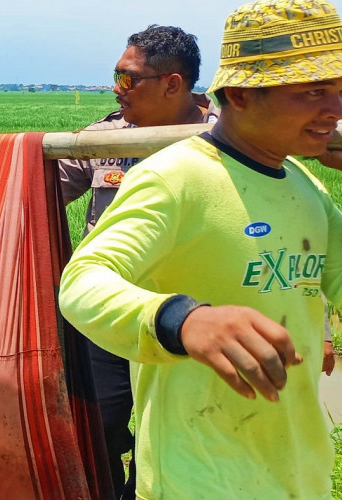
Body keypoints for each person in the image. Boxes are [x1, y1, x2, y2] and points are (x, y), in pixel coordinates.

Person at [59, 0, 342, 497]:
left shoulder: (304, 187)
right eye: (314, 91)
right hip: (195, 476)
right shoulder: (176, 178)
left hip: (296, 474)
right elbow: (83, 281)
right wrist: (182, 320)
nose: (335, 111)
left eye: (340, 93)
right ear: (240, 94)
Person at [58, 25, 218, 499]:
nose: (116, 88)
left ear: (173, 83)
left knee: (181, 431)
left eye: (128, 79)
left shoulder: (224, 140)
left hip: (192, 317)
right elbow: (33, 189)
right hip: (112, 312)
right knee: (98, 423)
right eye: (116, 76)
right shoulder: (103, 138)